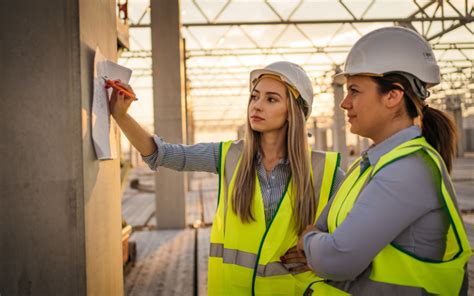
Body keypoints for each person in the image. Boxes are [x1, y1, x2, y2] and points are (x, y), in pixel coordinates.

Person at [108, 61, 346, 295]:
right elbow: (163, 154)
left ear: (293, 112)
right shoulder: (228, 156)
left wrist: (322, 250)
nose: (257, 106)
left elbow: (361, 231)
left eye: (271, 99)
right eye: (254, 97)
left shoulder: (326, 170)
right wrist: (121, 116)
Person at [281, 26, 472, 295]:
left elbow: (337, 259)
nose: (344, 103)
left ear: (393, 95)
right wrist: (319, 244)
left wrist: (310, 242)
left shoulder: (408, 170)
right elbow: (325, 231)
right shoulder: (367, 165)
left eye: (355, 91)